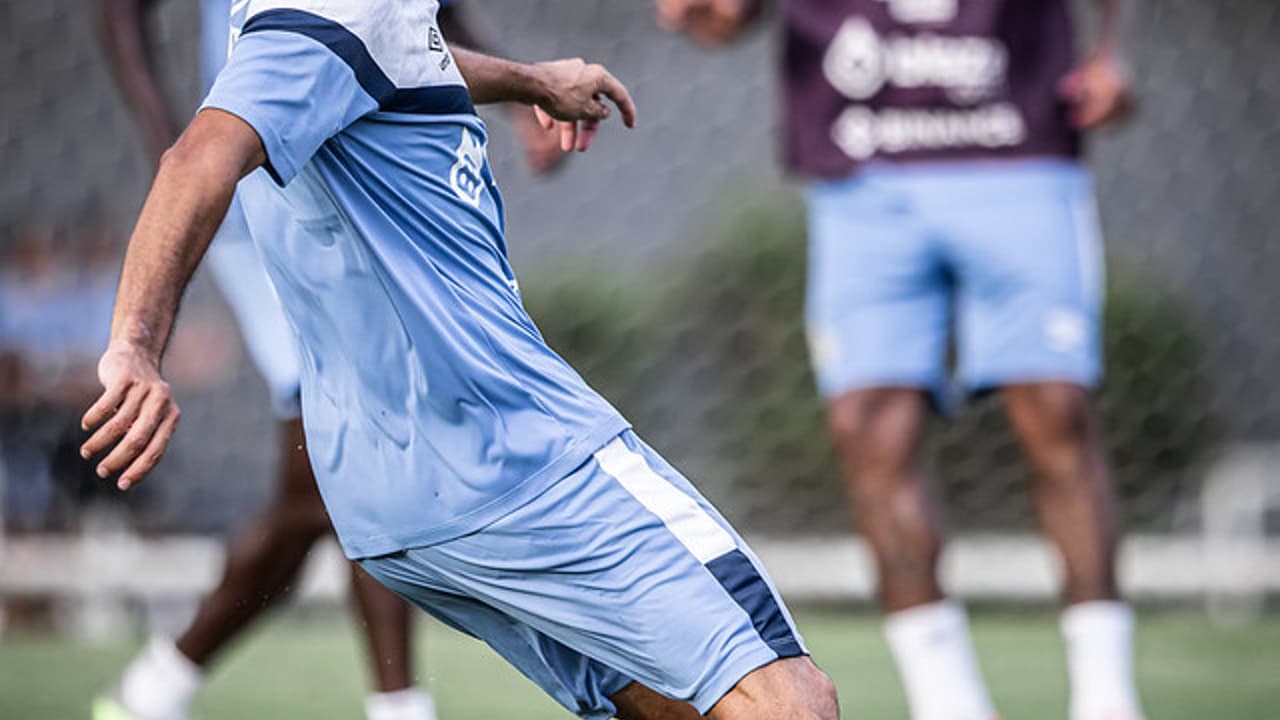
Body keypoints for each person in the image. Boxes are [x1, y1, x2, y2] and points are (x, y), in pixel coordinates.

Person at [80, 2, 840, 718]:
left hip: (397, 506)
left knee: (672, 704)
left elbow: (396, 52)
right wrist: (136, 346)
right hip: (519, 459)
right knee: (788, 696)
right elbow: (196, 160)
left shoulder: (339, 22)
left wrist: (528, 82)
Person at [656, 1, 1141, 719]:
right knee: (866, 429)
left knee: (1056, 411)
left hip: (1017, 143)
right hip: (865, 167)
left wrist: (1112, 50)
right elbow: (724, 18)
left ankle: (1107, 697)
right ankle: (946, 702)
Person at [94, 1, 576, 718]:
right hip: (264, 194)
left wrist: (523, 94)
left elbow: (413, 26)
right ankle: (394, 705)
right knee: (352, 445)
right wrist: (173, 135)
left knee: (334, 465)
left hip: (360, 188)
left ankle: (160, 685)